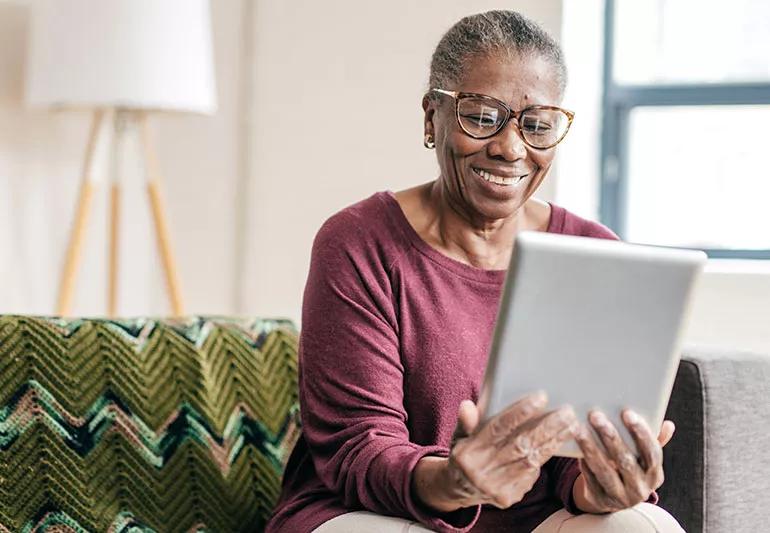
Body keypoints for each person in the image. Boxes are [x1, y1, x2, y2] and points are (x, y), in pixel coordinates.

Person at [266, 10, 684, 533]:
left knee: (642, 525)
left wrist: (598, 486)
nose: (510, 148)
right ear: (430, 117)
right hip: (375, 513)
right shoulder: (359, 243)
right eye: (483, 117)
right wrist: (453, 482)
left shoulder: (594, 252)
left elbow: (575, 453)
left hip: (534, 521)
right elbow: (358, 449)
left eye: (537, 125)